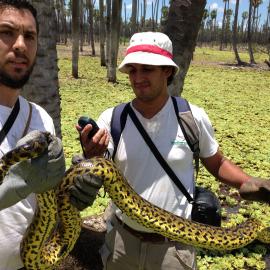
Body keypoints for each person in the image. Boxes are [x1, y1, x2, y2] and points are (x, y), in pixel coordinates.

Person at [71, 32, 270, 270]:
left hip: (174, 250)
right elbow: (101, 163)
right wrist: (91, 154)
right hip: (122, 243)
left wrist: (252, 183)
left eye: (147, 69)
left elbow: (216, 163)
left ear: (167, 70)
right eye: (132, 70)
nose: (138, 77)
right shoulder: (114, 119)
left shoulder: (191, 118)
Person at [0, 1, 66, 269]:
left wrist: (72, 194)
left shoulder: (41, 119)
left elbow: (46, 194)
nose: (20, 45)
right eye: (6, 32)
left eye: (30, 36)